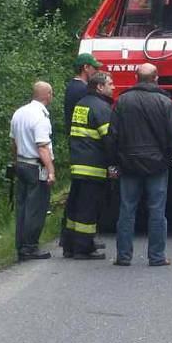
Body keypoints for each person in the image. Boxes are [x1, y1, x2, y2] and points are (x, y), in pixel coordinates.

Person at [107, 63, 172, 266]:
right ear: (156, 78)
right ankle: (157, 256)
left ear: (135, 77)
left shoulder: (123, 101)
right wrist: (167, 158)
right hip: (157, 165)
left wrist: (114, 162)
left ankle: (123, 256)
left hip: (129, 164)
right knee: (157, 210)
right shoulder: (165, 102)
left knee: (126, 210)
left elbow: (113, 135)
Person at [62, 72, 115, 260]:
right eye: (110, 83)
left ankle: (69, 244)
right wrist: (114, 164)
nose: (114, 87)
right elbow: (109, 140)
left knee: (74, 207)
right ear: (99, 87)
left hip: (78, 164)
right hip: (94, 167)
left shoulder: (81, 104)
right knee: (88, 209)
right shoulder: (102, 108)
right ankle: (83, 248)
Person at [60, 52, 103, 250]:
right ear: (86, 67)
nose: (97, 70)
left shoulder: (72, 87)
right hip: (86, 150)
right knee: (86, 201)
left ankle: (70, 239)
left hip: (78, 149)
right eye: (94, 67)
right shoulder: (81, 91)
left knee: (77, 196)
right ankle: (83, 243)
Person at [10, 81, 56, 261]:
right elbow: (42, 147)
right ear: (47, 95)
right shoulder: (40, 117)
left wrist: (15, 162)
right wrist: (51, 170)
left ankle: (21, 245)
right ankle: (30, 247)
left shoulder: (19, 113)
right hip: (35, 166)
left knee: (22, 207)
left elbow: (13, 142)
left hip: (21, 163)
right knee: (35, 208)